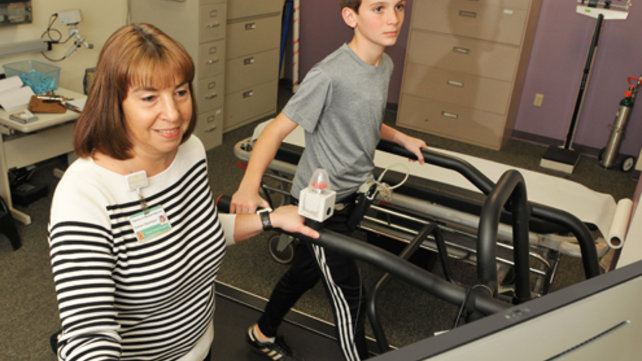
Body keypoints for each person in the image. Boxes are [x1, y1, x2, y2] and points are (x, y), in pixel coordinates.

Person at [47, 23, 319, 361]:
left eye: (180, 91)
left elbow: (198, 231)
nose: (174, 113)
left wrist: (270, 219)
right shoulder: (84, 194)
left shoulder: (189, 151)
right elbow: (88, 334)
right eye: (149, 98)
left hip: (200, 346)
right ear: (114, 103)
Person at [230, 1, 427, 360]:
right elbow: (274, 131)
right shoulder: (329, 74)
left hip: (350, 197)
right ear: (351, 17)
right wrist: (248, 186)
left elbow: (361, 116)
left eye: (398, 6)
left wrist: (401, 138)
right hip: (317, 205)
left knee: (305, 273)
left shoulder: (384, 63)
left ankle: (262, 332)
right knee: (349, 293)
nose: (394, 18)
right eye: (379, 8)